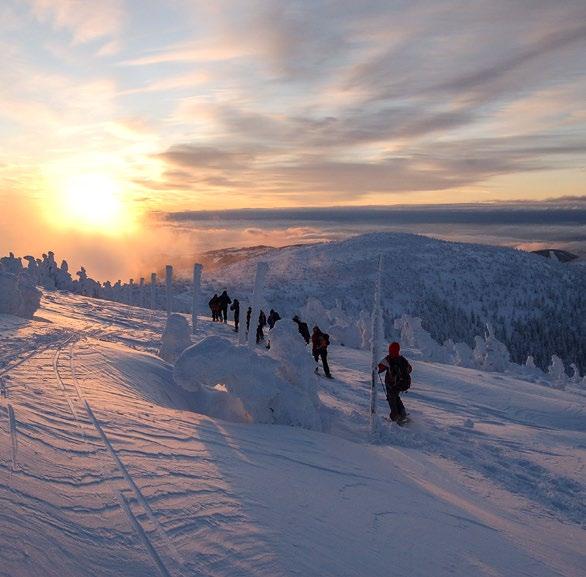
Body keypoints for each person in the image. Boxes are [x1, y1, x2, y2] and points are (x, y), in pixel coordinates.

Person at [378, 342, 412, 423]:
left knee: (391, 399)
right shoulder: (402, 359)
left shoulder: (388, 359)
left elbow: (378, 369)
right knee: (396, 397)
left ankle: (395, 417)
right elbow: (410, 369)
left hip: (391, 384)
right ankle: (403, 414)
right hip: (402, 384)